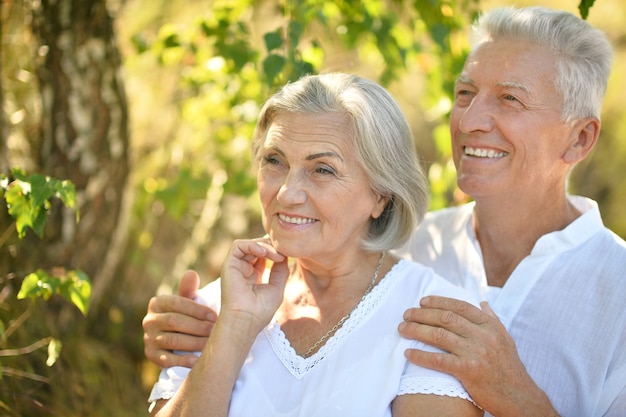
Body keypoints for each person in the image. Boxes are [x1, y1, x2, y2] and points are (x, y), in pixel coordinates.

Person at [143, 6, 626, 417]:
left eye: (510, 99)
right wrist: (200, 329)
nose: (470, 121)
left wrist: (514, 394)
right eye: (464, 94)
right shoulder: (395, 243)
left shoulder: (618, 287)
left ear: (580, 138)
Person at [146, 72, 483, 417]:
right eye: (274, 161)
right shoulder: (216, 307)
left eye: (322, 170)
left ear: (381, 195)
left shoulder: (434, 320)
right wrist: (232, 330)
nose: (287, 193)